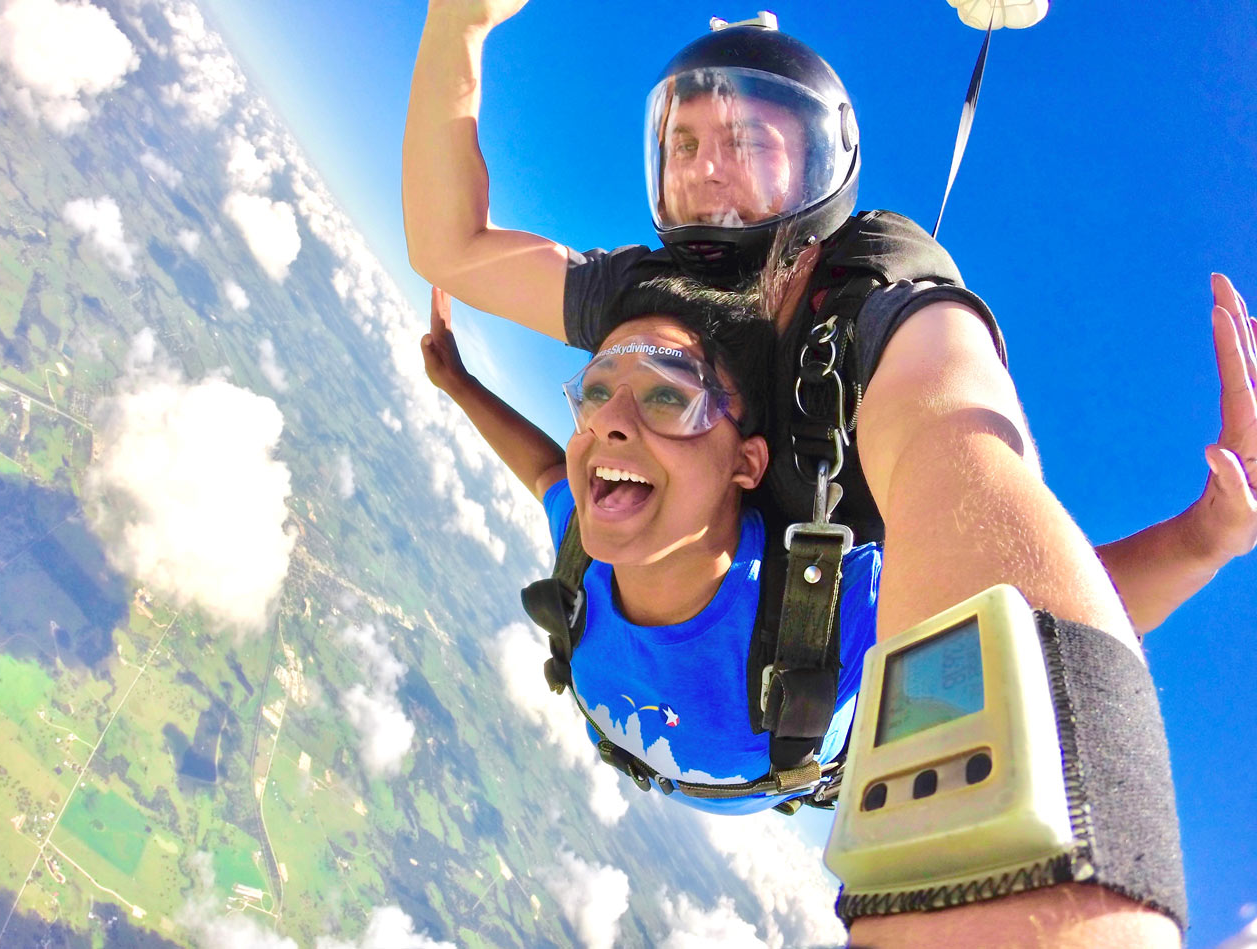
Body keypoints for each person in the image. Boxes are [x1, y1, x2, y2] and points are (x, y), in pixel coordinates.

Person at [403, 3, 1254, 943]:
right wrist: (459, 25)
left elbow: (970, 507)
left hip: (759, 732)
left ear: (820, 166)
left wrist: (1048, 879)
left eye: (745, 139)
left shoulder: (863, 318)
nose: (706, 166)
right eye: (682, 141)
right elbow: (464, 285)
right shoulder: (634, 334)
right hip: (748, 749)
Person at [423, 277, 876, 815]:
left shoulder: (838, 612)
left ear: (746, 462)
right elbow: (547, 470)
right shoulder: (584, 548)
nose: (607, 422)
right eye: (595, 392)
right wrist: (457, 382)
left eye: (668, 396)